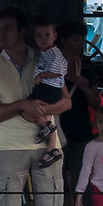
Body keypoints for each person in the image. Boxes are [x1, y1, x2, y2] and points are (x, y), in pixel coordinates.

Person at [0, 6, 79, 206]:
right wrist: (21, 106)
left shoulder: (43, 59)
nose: (1, 34)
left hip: (46, 143)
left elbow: (66, 103)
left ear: (21, 32)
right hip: (7, 145)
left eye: (7, 28)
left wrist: (41, 110)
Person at [29, 16, 70, 168]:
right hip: (49, 88)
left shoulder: (54, 53)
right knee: (47, 116)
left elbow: (58, 71)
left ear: (55, 36)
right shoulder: (42, 52)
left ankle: (47, 127)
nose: (43, 39)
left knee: (29, 109)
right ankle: (51, 150)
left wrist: (41, 76)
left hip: (49, 88)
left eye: (47, 35)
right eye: (39, 36)